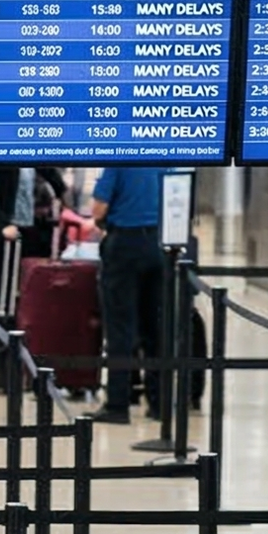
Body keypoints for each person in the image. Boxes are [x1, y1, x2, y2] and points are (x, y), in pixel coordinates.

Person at [91, 165, 169, 425]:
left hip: (124, 243)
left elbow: (98, 209)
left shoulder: (119, 156)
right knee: (155, 328)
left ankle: (118, 404)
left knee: (120, 328)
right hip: (159, 243)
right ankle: (159, 404)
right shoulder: (166, 153)